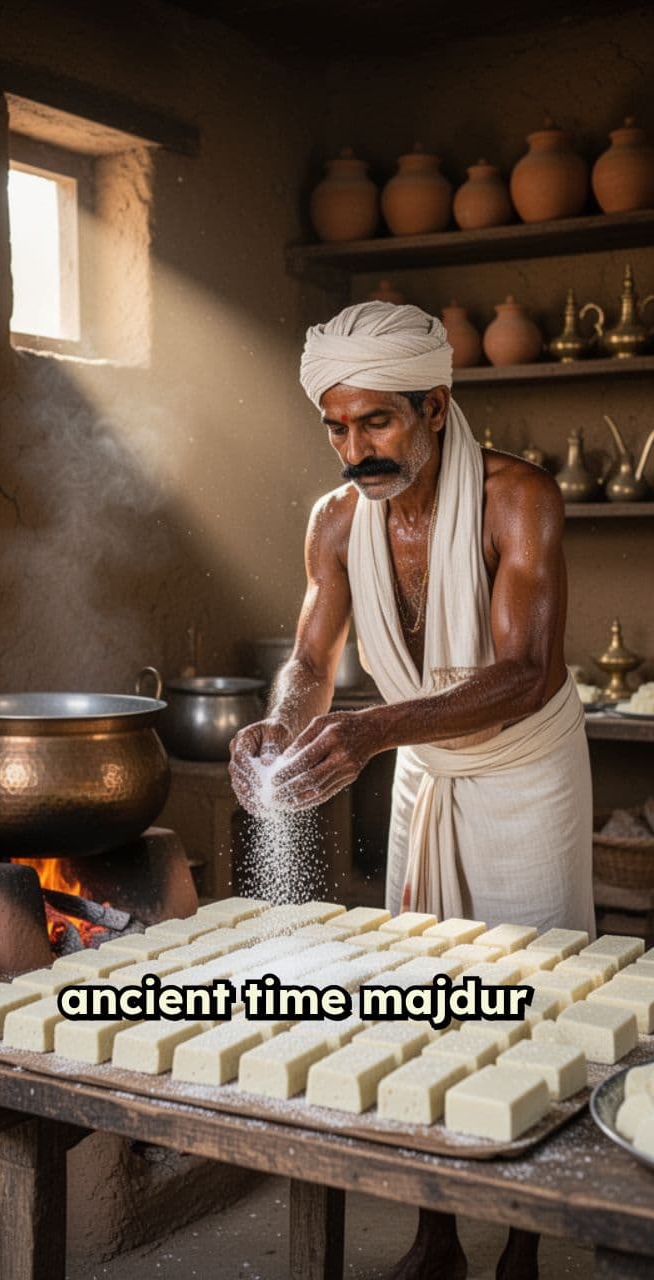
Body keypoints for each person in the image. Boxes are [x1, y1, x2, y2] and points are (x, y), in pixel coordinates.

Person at [229, 301, 595, 1280]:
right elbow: (312, 656)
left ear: (436, 405)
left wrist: (377, 726)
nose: (355, 447)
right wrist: (282, 722)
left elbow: (522, 670)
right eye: (337, 426)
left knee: (529, 1001)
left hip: (525, 768)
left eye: (377, 421)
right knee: (424, 997)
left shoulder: (522, 498)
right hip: (428, 766)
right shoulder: (337, 520)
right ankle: (435, 1233)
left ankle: (520, 1239)